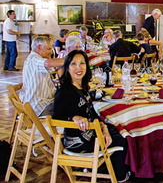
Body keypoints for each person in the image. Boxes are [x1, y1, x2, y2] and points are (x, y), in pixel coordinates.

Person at [53, 50, 130, 182]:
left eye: (82, 63)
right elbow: (56, 118)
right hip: (80, 143)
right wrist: (73, 118)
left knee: (117, 129)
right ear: (67, 67)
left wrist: (103, 128)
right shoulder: (64, 92)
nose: (79, 67)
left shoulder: (81, 86)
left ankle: (111, 168)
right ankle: (120, 176)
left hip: (91, 133)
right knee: (121, 140)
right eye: (74, 64)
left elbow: (91, 113)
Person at [20, 36, 64, 116]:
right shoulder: (33, 59)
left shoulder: (37, 58)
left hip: (45, 102)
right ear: (39, 47)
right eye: (48, 49)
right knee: (72, 106)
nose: (51, 52)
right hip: (38, 107)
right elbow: (48, 63)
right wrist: (72, 60)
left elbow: (52, 62)